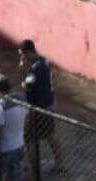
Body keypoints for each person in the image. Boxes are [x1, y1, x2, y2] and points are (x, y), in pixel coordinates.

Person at [19, 39, 65, 173]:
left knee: (28, 138)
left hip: (38, 107)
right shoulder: (43, 61)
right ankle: (60, 163)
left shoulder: (35, 68)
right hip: (46, 104)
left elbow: (27, 86)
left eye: (22, 54)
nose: (21, 57)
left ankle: (34, 169)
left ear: (27, 52)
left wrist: (23, 70)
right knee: (50, 134)